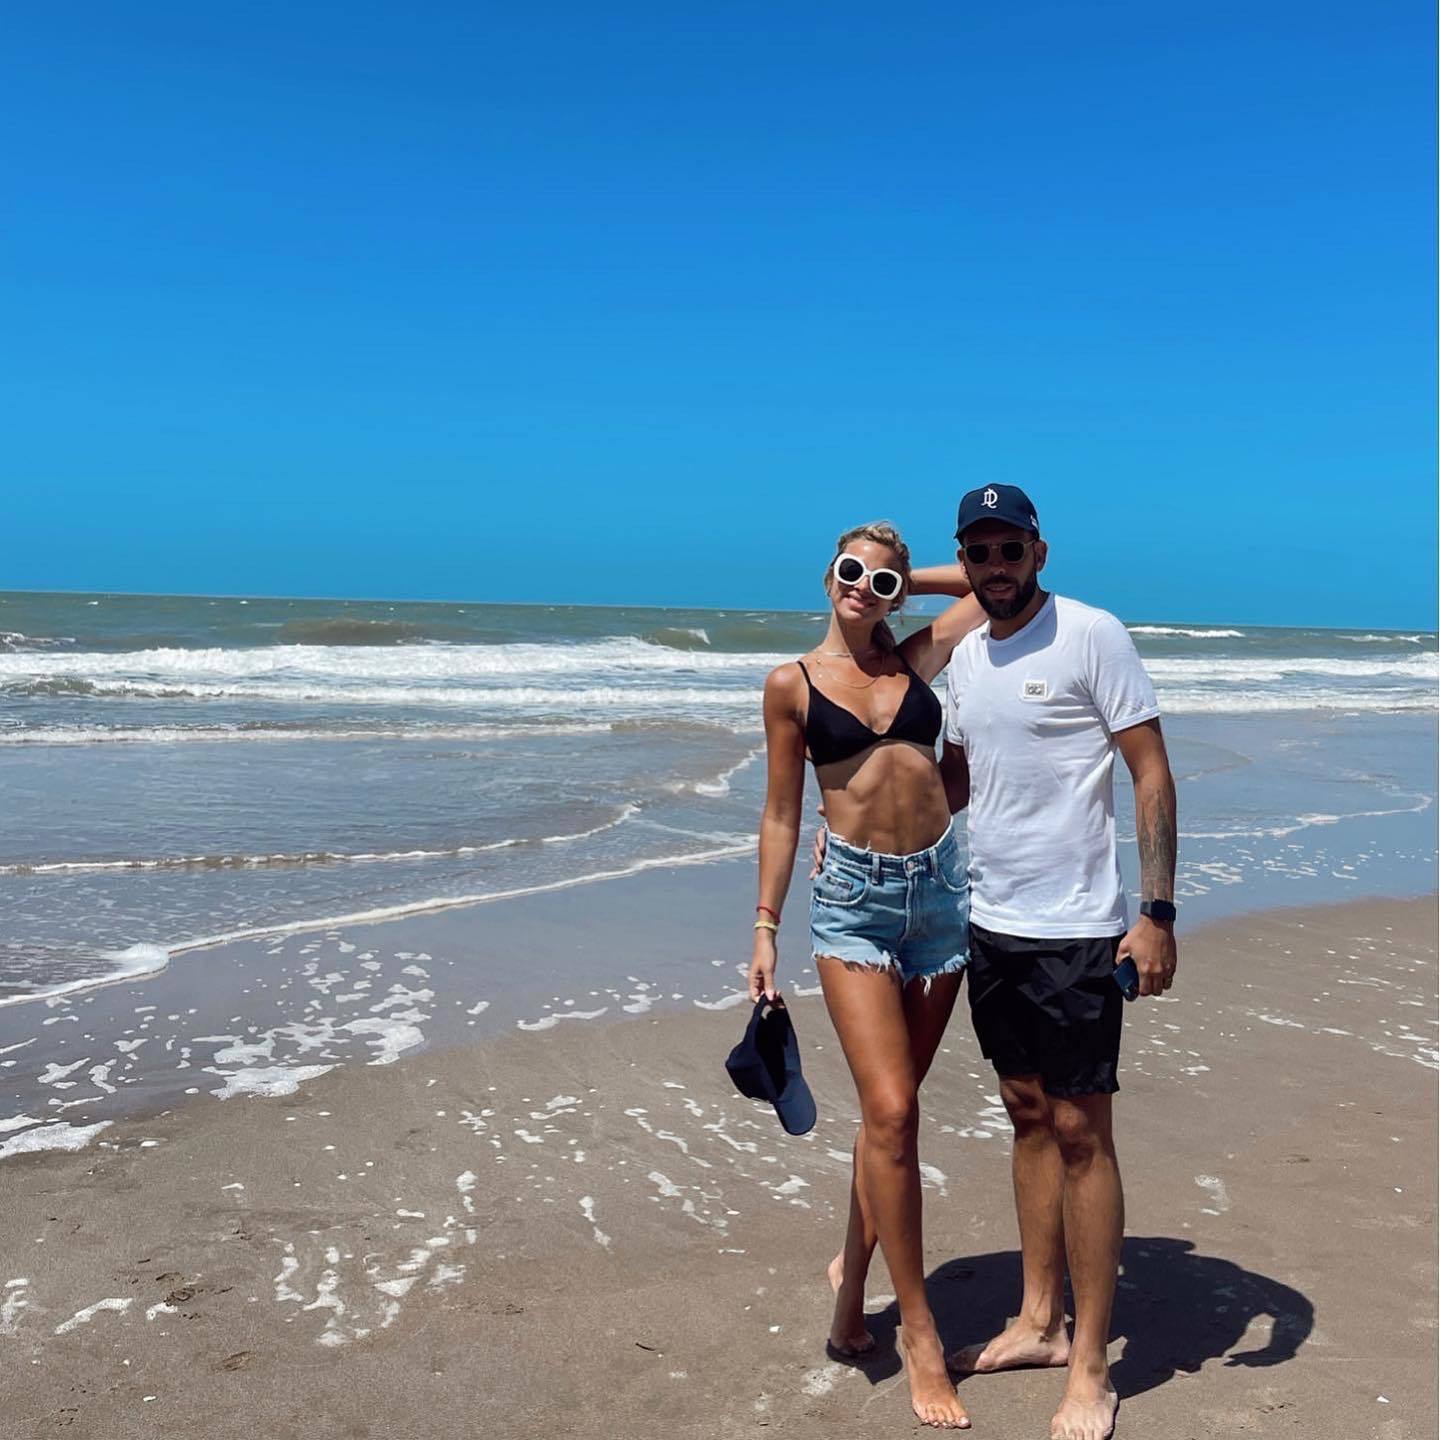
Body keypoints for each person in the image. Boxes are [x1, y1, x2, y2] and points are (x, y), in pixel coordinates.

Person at [940, 484, 1179, 1440]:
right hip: (989, 922)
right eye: (979, 552)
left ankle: (1091, 1366)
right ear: (965, 561)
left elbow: (1150, 770)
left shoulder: (1091, 634)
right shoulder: (965, 655)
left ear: (1040, 552)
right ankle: (1039, 1322)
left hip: (1079, 930)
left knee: (1083, 1133)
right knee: (1027, 1114)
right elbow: (960, 779)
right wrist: (870, 826)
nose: (995, 566)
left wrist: (1156, 912)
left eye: (1011, 549)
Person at [748, 521, 983, 1430]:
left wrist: (902, 583)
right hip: (853, 902)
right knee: (891, 1112)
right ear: (826, 576)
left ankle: (850, 1297)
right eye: (851, 572)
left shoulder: (915, 661)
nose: (864, 588)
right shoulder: (792, 685)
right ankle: (918, 1332)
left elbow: (983, 584)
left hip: (940, 895)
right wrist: (765, 928)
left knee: (894, 1115)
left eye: (881, 581)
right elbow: (781, 814)